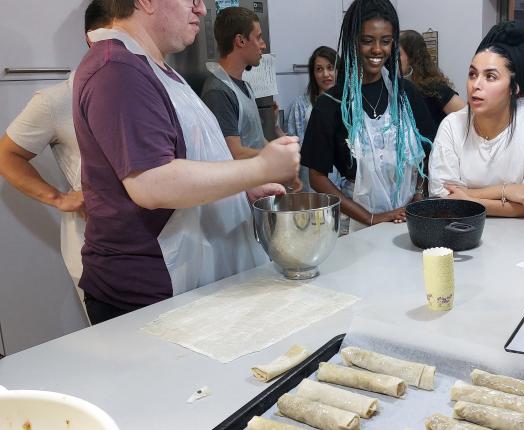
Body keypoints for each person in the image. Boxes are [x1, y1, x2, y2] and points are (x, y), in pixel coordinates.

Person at [73, 0, 300, 324]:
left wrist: (238, 191)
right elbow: (152, 183)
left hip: (182, 286)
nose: (202, 10)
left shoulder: (153, 66)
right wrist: (259, 168)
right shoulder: (117, 71)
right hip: (149, 297)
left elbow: (189, 156)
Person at [0, 0, 112, 289]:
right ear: (93, 38)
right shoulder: (59, 99)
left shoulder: (155, 91)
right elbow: (7, 155)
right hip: (97, 249)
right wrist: (59, 198)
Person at [300, 0, 437, 232]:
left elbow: (429, 151)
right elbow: (317, 177)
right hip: (360, 225)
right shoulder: (331, 104)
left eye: (385, 41)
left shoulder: (406, 95)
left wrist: (417, 193)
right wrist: (371, 217)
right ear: (353, 42)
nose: (377, 50)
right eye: (367, 41)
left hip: (410, 219)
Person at [429, 21, 524, 217]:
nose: (476, 85)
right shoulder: (452, 126)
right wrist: (506, 191)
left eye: (490, 77)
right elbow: (445, 198)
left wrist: (468, 198)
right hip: (462, 230)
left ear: (514, 88)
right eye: (472, 74)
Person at [201, 7, 283, 160]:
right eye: (258, 37)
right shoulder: (218, 91)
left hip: (258, 181)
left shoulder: (245, 86)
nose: (263, 45)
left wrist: (277, 148)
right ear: (241, 41)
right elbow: (235, 153)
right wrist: (277, 157)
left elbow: (256, 141)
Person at [286, 45, 343, 192]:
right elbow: (292, 146)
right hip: (311, 182)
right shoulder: (301, 105)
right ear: (313, 74)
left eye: (330, 68)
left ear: (339, 70)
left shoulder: (349, 104)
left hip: (346, 184)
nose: (326, 74)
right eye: (319, 69)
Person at [399, 30, 465, 125]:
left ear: (412, 56)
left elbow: (469, 118)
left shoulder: (433, 87)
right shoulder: (395, 88)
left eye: (397, 54)